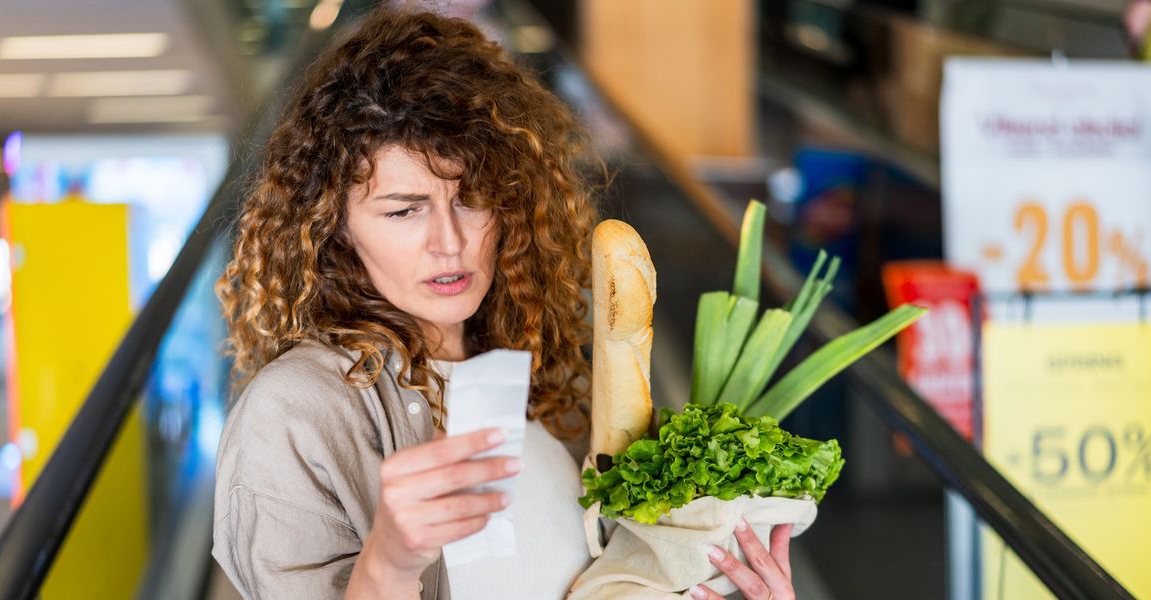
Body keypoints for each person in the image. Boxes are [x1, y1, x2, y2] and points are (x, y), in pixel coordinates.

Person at [212, 7, 797, 600]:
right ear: (333, 226)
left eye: (472, 200)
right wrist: (387, 566)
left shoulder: (552, 381)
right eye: (403, 210)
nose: (449, 243)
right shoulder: (296, 412)